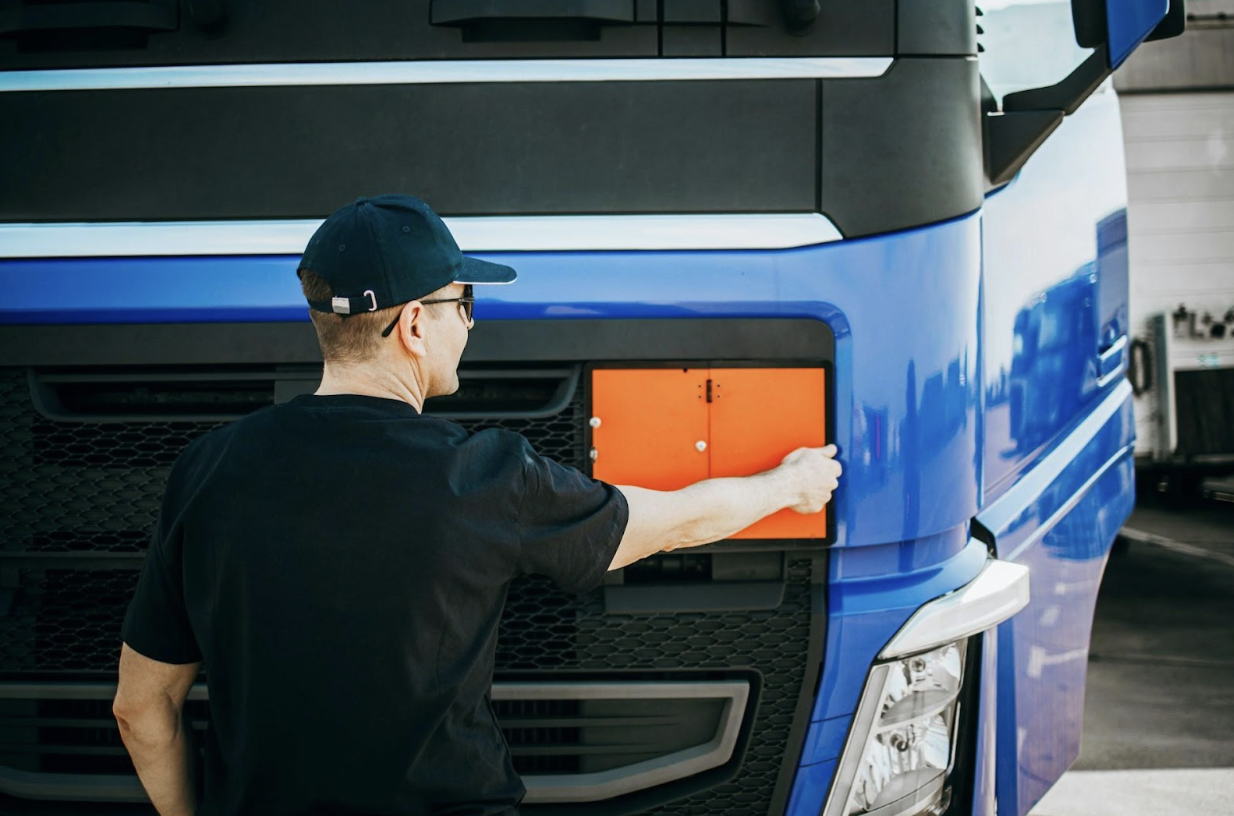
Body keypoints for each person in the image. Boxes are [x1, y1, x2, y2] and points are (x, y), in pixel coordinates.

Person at [112, 194, 843, 816]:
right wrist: (791, 485)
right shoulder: (482, 476)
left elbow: (141, 709)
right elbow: (674, 522)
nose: (470, 324)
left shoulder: (207, 471)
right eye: (464, 303)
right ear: (414, 325)